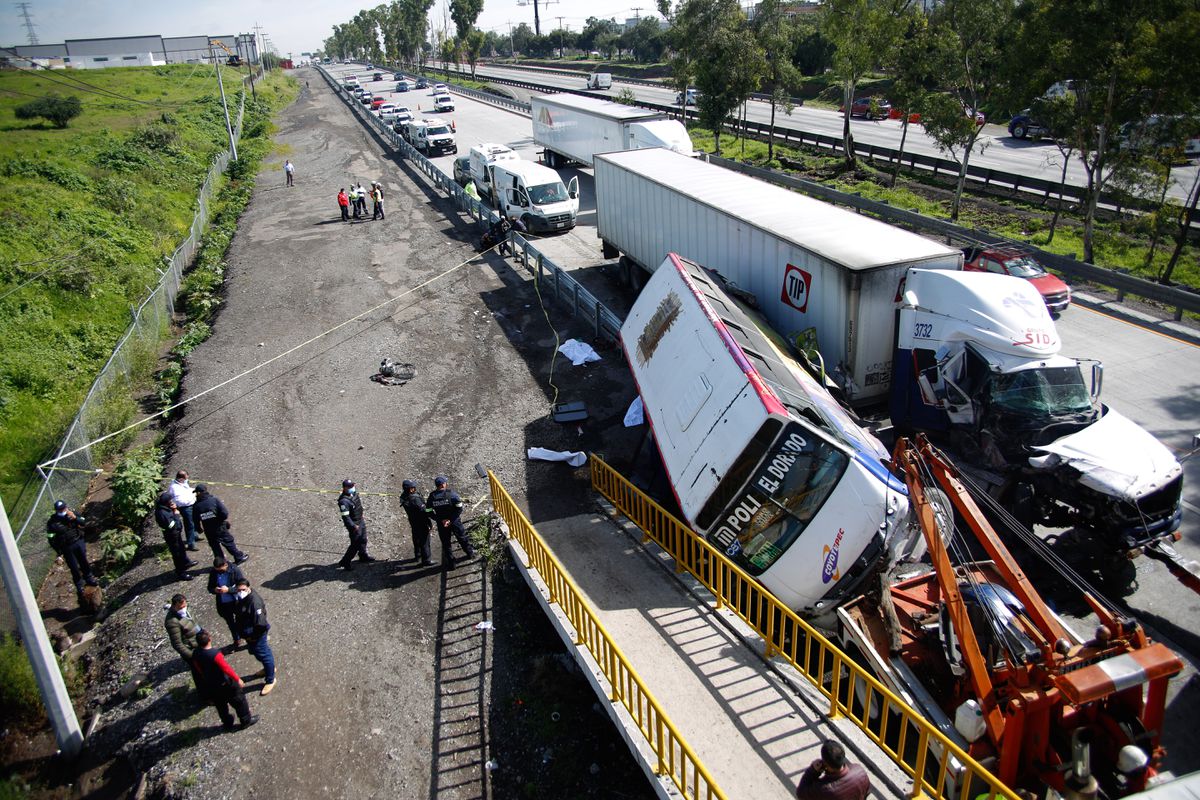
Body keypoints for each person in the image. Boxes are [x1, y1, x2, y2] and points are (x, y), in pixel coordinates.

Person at [191, 630, 258, 730]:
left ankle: (227, 723)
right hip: (225, 683)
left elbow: (198, 668)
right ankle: (246, 720)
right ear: (209, 639)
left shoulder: (196, 653)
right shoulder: (215, 654)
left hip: (212, 685)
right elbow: (226, 668)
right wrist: (238, 679)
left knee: (221, 706)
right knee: (239, 701)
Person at [45, 501, 99, 595]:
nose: (63, 510)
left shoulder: (72, 514)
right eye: (60, 510)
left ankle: (89, 578)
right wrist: (58, 551)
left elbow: (83, 522)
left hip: (78, 541)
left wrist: (75, 518)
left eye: (64, 508)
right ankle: (79, 585)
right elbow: (51, 538)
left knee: (83, 561)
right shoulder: (52, 522)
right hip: (67, 547)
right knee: (73, 567)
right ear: (57, 510)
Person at [232, 579, 276, 695]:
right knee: (256, 653)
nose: (240, 592)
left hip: (256, 636)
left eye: (243, 590)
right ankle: (269, 669)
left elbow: (260, 624)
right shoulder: (242, 597)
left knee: (264, 654)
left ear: (248, 588)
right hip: (249, 635)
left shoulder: (254, 603)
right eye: (238, 590)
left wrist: (254, 637)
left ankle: (271, 679)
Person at [426, 475, 475, 570]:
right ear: (443, 484)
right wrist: (451, 520)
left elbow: (428, 511)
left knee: (446, 543)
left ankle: (451, 564)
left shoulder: (432, 497)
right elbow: (459, 508)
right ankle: (470, 554)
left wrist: (440, 520)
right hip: (454, 521)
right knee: (462, 538)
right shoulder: (452, 494)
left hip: (442, 523)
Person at [192, 484, 249, 564]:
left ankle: (221, 563)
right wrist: (221, 520)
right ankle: (239, 557)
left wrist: (199, 528)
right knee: (228, 542)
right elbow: (224, 513)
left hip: (208, 529)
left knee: (215, 547)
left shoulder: (196, 506)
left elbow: (195, 519)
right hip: (219, 526)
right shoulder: (214, 500)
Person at [795, 741, 870, 800]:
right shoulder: (860, 771)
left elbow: (801, 793)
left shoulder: (823, 789)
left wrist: (812, 771)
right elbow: (866, 793)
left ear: (826, 764)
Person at [154, 493, 196, 581]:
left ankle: (186, 562)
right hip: (171, 535)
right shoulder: (162, 513)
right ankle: (181, 572)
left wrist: (173, 509)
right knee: (177, 554)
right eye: (170, 501)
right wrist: (176, 514)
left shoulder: (165, 508)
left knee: (182, 549)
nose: (171, 501)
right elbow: (170, 525)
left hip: (176, 534)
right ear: (166, 502)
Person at [207, 557, 247, 647]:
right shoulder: (214, 572)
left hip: (236, 602)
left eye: (221, 570)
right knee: (230, 623)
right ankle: (236, 639)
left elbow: (243, 586)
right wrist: (215, 590)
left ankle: (249, 637)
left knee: (242, 620)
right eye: (217, 570)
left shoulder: (234, 570)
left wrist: (228, 590)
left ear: (226, 565)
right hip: (223, 603)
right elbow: (210, 587)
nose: (219, 572)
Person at [336, 479, 375, 570]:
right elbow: (346, 517)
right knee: (355, 545)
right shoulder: (343, 502)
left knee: (363, 539)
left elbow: (358, 506)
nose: (352, 488)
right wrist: (353, 526)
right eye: (350, 487)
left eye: (352, 486)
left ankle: (363, 556)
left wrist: (361, 516)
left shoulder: (353, 494)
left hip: (360, 520)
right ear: (345, 488)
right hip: (354, 526)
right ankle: (345, 561)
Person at [164, 593, 203, 663]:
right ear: (173, 606)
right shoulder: (172, 622)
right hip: (192, 649)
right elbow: (177, 644)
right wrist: (192, 656)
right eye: (180, 608)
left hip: (200, 643)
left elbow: (193, 622)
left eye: (184, 606)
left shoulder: (188, 608)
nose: (183, 609)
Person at [401, 479, 433, 566]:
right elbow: (424, 511)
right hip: (421, 521)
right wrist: (429, 522)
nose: (415, 488)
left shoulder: (403, 497)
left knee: (416, 538)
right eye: (413, 487)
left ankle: (417, 555)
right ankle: (426, 560)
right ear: (410, 489)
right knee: (425, 540)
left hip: (413, 521)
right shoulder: (415, 499)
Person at [167, 470, 200, 552]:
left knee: (195, 520)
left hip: (191, 505)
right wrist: (194, 495)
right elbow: (182, 501)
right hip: (185, 507)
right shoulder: (175, 488)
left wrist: (194, 490)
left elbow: (187, 489)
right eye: (186, 478)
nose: (187, 480)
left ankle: (195, 535)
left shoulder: (182, 483)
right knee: (189, 524)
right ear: (181, 479)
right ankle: (191, 543)